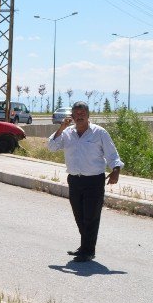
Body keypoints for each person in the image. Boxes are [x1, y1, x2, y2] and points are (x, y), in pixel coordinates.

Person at [47, 101, 123, 262]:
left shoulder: (99, 133)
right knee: (79, 216)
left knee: (91, 216)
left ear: (88, 115)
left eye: (82, 114)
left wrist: (116, 170)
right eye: (76, 114)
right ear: (72, 116)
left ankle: (88, 251)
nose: (79, 117)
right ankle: (84, 247)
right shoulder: (67, 133)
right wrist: (61, 128)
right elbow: (52, 147)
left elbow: (112, 154)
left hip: (94, 181)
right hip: (75, 180)